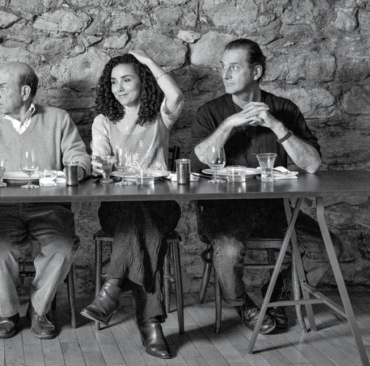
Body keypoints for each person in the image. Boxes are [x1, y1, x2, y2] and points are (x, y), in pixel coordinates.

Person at [191, 38, 342, 334]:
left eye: (234, 67)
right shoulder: (210, 113)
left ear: (256, 72)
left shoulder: (283, 109)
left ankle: (278, 294)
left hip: (275, 211)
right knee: (228, 250)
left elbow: (312, 164)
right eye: (223, 68)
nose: (226, 74)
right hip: (223, 212)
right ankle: (243, 303)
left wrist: (276, 125)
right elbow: (196, 165)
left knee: (329, 247)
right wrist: (229, 124)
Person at [0, 62, 90, 340]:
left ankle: (39, 309)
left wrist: (77, 169)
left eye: (2, 87)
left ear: (25, 91)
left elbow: (79, 157)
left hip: (49, 205)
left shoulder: (58, 119)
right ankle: (8, 312)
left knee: (63, 246)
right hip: (2, 207)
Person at [80, 51, 183, 359]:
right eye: (113, 82)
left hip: (160, 204)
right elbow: (100, 162)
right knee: (138, 222)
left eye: (127, 79)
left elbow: (176, 94)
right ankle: (151, 325)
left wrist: (149, 60)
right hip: (117, 206)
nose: (119, 88)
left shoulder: (160, 115)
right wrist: (100, 167)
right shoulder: (103, 121)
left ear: (143, 81)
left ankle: (112, 288)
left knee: (142, 220)